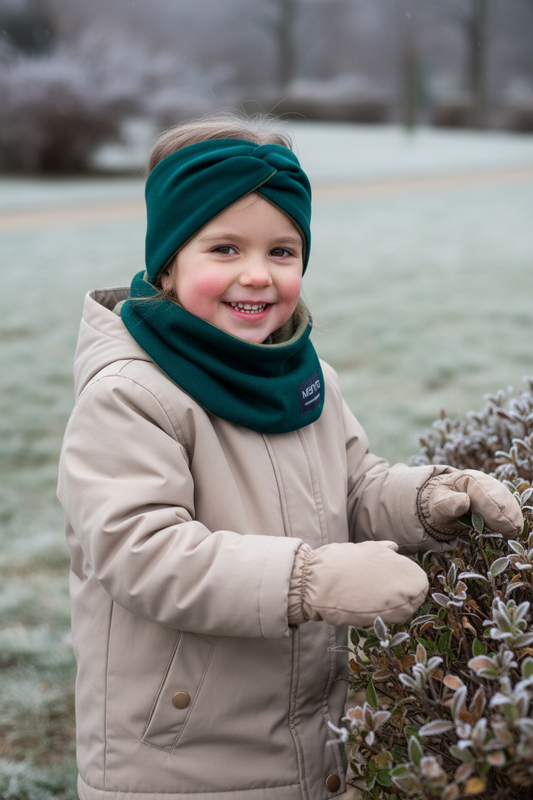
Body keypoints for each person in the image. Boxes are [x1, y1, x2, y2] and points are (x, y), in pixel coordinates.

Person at [57, 113, 523, 800]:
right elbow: (141, 553)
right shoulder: (130, 395)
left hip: (308, 746)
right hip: (179, 762)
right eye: (223, 249)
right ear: (168, 261)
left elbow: (352, 487)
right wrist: (308, 580)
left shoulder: (303, 375)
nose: (257, 275)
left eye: (282, 251)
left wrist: (432, 498)